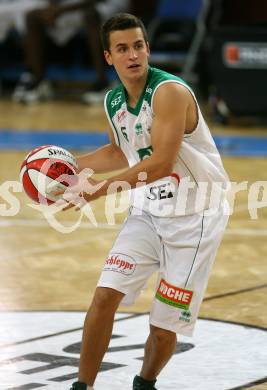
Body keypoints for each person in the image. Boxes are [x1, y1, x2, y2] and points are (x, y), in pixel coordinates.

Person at [59, 13, 229, 390]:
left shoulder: (168, 92)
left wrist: (100, 190)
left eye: (138, 46)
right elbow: (122, 152)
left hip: (196, 217)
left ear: (147, 49)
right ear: (109, 57)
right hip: (149, 211)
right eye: (122, 48)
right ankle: (81, 387)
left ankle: (145, 383)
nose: (133, 54)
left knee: (164, 326)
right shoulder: (113, 100)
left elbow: (160, 163)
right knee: (104, 297)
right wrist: (64, 164)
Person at [12, 0, 131, 104]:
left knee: (91, 15)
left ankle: (103, 82)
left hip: (107, 3)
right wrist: (52, 7)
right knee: (32, 16)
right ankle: (38, 81)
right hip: (72, 6)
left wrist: (60, 10)